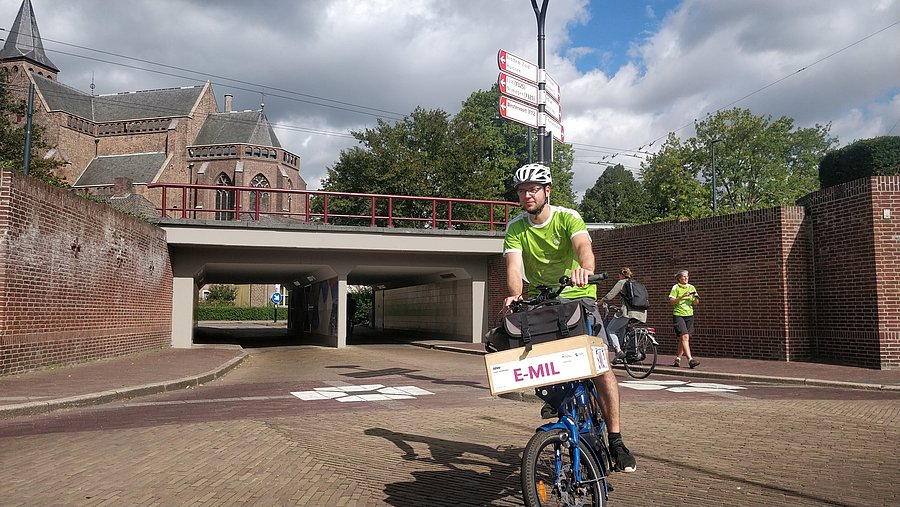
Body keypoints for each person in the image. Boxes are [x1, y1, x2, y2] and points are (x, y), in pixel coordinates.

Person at [502, 163, 637, 473]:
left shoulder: (567, 217)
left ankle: (616, 439)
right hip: (543, 301)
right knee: (539, 360)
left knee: (600, 366)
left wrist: (585, 270)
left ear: (547, 191)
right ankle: (559, 400)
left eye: (533, 189)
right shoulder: (516, 228)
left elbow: (583, 246)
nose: (527, 195)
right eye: (522, 191)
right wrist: (515, 294)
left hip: (578, 298)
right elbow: (513, 267)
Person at [601, 267, 648, 361]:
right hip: (642, 313)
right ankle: (623, 354)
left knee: (610, 329)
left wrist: (599, 302)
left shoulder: (622, 282)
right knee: (622, 329)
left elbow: (610, 296)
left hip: (628, 312)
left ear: (621, 275)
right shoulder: (637, 284)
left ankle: (618, 351)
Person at [669, 269, 700, 368]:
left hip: (689, 314)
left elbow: (695, 303)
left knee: (684, 338)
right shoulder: (675, 287)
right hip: (679, 314)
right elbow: (671, 301)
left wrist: (696, 298)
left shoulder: (691, 287)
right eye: (684, 276)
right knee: (685, 337)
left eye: (687, 276)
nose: (686, 278)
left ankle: (678, 359)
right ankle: (690, 360)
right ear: (679, 278)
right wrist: (682, 296)